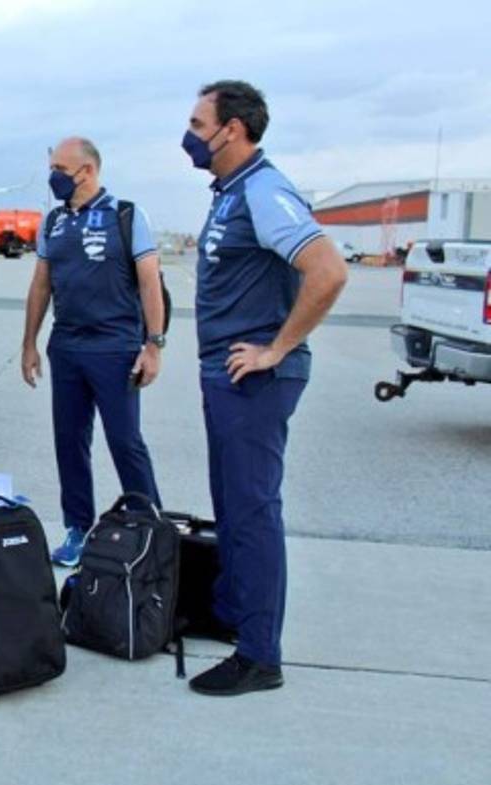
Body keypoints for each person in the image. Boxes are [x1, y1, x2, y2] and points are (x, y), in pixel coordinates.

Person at [181, 80, 347, 696]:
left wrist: (277, 348)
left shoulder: (264, 190)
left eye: (199, 125)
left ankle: (259, 656)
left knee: (252, 511)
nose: (190, 136)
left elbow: (327, 272)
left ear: (233, 130)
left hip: (256, 379)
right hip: (225, 375)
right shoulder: (230, 193)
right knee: (232, 507)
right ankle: (234, 616)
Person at [22, 137, 165, 567]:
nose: (53, 177)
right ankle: (77, 528)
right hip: (66, 346)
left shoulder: (126, 215)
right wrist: (29, 343)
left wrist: (153, 345)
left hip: (115, 347)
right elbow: (41, 284)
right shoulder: (54, 222)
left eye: (60, 168)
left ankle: (150, 534)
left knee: (125, 442)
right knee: (69, 442)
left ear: (86, 171)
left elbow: (149, 283)